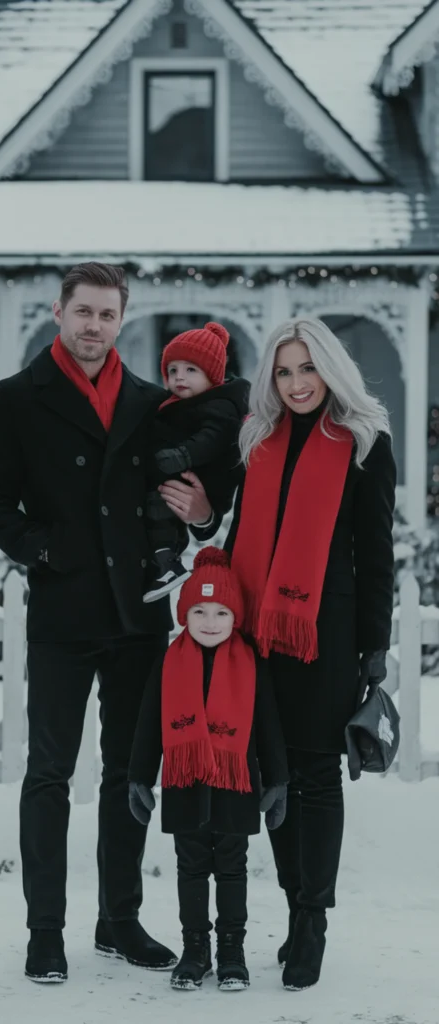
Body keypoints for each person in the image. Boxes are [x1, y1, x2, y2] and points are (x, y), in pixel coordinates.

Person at [0, 262, 218, 984]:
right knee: (48, 773)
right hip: (61, 613)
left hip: (136, 614)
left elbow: (189, 497)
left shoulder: (149, 402)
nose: (94, 327)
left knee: (128, 774)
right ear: (59, 311)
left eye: (108, 316)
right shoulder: (17, 399)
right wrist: (43, 548)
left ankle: (119, 920)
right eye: (84, 312)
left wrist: (202, 514)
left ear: (121, 320)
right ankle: (46, 929)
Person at [224, 317, 396, 992]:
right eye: (284, 371)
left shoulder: (363, 443)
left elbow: (374, 553)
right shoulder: (257, 441)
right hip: (258, 632)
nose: (296, 384)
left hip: (326, 633)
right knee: (275, 768)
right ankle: (297, 908)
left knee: (317, 776)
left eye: (307, 369)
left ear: (330, 370)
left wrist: (374, 647)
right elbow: (239, 531)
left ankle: (311, 919)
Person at [128, 547, 288, 992]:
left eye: (221, 611)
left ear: (235, 615)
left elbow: (269, 725)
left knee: (232, 868)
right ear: (184, 613)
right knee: (191, 867)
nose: (210, 621)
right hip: (185, 783)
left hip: (236, 785)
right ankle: (195, 950)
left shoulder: (252, 664)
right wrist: (139, 776)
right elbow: (148, 724)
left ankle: (232, 952)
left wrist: (277, 780)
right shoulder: (169, 661)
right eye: (199, 610)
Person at [143, 321, 249, 603]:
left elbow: (210, 439)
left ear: (212, 376)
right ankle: (164, 560)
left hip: (206, 479)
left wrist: (180, 456)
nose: (179, 377)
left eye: (191, 370)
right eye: (173, 370)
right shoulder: (174, 404)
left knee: (159, 507)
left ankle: (168, 562)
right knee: (157, 509)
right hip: (183, 476)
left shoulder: (222, 406)